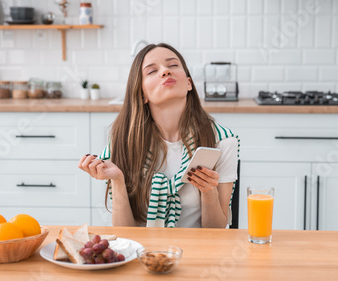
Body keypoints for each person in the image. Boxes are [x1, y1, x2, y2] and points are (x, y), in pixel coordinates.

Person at [78, 43, 239, 228]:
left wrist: (209, 192)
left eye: (172, 65)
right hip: (143, 253)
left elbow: (217, 232)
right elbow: (126, 234)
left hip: (197, 252)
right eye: (152, 71)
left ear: (188, 83)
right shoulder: (123, 141)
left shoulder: (222, 141)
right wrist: (118, 180)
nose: (165, 72)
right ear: (142, 93)